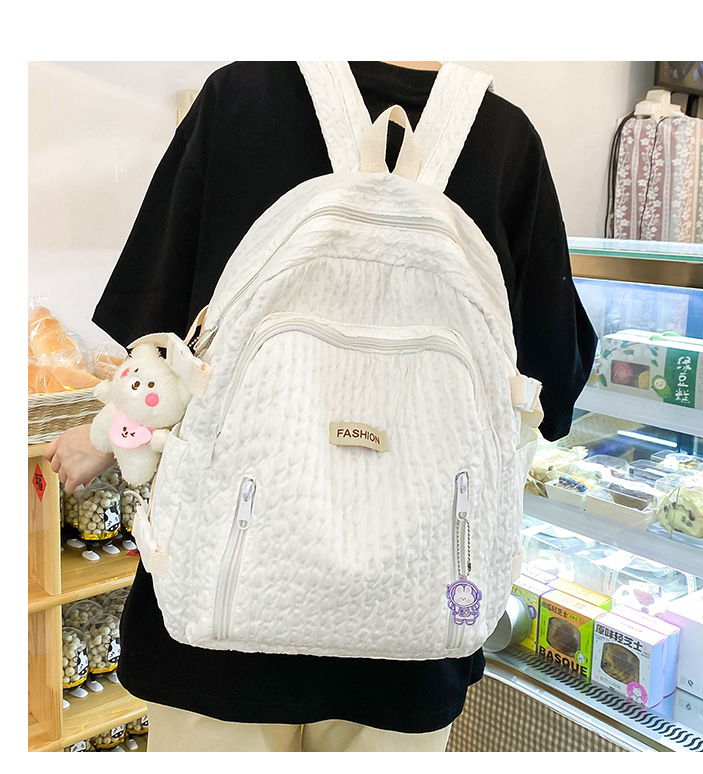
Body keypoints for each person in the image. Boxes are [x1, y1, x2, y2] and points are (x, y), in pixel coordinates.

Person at [43, 61, 596, 752]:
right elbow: (554, 390)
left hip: (215, 622)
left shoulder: (239, 97)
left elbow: (155, 350)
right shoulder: (507, 141)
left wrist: (104, 434)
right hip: (415, 645)